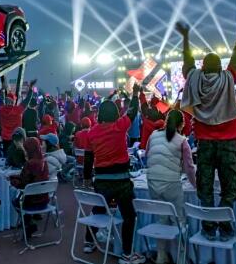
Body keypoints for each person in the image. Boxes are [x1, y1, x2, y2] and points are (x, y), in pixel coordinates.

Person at [177, 21, 236, 241]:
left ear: (202, 67)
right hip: (228, 144)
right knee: (231, 188)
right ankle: (225, 226)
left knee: (205, 188)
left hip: (205, 144)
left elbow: (187, 62)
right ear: (220, 67)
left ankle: (208, 227)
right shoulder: (228, 78)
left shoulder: (195, 80)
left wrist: (186, 37)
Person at [83, 83, 144, 264]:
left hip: (101, 181)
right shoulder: (119, 126)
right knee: (129, 216)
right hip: (122, 183)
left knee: (98, 208)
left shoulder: (91, 132)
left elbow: (88, 158)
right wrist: (135, 94)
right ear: (116, 114)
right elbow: (132, 111)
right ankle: (126, 253)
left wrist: (87, 178)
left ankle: (88, 241)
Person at [145, 110, 196, 264]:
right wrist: (195, 184)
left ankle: (161, 255)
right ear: (182, 124)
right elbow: (189, 168)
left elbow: (148, 154)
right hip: (171, 184)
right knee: (179, 221)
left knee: (162, 218)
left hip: (152, 181)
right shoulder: (182, 141)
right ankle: (181, 257)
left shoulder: (153, 135)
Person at [10, 137, 50, 238]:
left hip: (31, 201)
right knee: (26, 197)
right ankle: (29, 223)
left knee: (16, 201)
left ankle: (28, 223)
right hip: (44, 199)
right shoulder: (44, 162)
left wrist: (12, 181)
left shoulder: (30, 164)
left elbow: (23, 183)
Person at [0, 78, 36, 151]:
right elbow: (27, 100)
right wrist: (31, 88)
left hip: (5, 138)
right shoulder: (18, 110)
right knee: (17, 156)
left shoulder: (2, 109)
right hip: (16, 139)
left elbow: (1, 99)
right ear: (14, 101)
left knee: (6, 155)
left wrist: (2, 89)